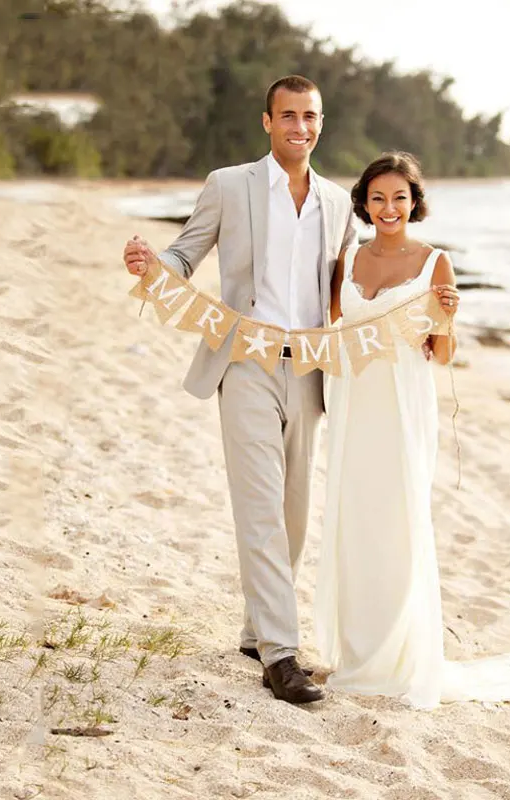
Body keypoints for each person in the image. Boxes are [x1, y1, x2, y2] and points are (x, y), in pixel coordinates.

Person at [123, 75, 357, 704]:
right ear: (267, 121)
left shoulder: (337, 203)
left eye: (309, 116)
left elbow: (350, 290)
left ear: (320, 122)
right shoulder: (230, 185)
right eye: (287, 115)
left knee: (293, 513)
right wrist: (153, 266)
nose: (299, 127)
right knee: (259, 507)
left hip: (309, 368)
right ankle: (282, 654)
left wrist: (419, 306)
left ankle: (256, 629)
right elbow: (184, 252)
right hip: (245, 362)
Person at [315, 152, 510, 709]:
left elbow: (441, 354)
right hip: (354, 400)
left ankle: (399, 655)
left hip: (404, 403)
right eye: (379, 197)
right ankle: (356, 652)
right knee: (353, 515)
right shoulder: (347, 260)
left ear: (415, 203)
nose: (389, 208)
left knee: (398, 519)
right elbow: (332, 331)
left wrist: (448, 321)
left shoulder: (436, 262)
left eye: (400, 198)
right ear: (363, 202)